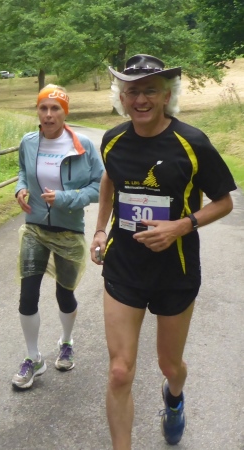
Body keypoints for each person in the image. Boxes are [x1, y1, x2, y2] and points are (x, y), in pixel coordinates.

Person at [91, 54, 236, 448]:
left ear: (166, 96)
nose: (141, 99)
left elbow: (224, 202)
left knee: (169, 365)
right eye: (133, 91)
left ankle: (174, 398)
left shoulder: (192, 142)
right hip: (123, 267)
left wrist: (181, 226)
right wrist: (100, 229)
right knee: (119, 371)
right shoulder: (113, 140)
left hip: (176, 270)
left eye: (150, 91)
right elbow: (109, 180)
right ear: (121, 97)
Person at [12, 84, 104, 390]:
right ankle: (33, 357)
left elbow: (100, 186)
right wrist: (20, 188)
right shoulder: (28, 142)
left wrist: (65, 198)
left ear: (65, 112)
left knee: (64, 295)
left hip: (68, 230)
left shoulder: (82, 146)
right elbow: (22, 172)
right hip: (35, 228)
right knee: (27, 295)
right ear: (37, 111)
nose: (49, 114)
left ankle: (66, 342)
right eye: (43, 108)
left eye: (56, 109)